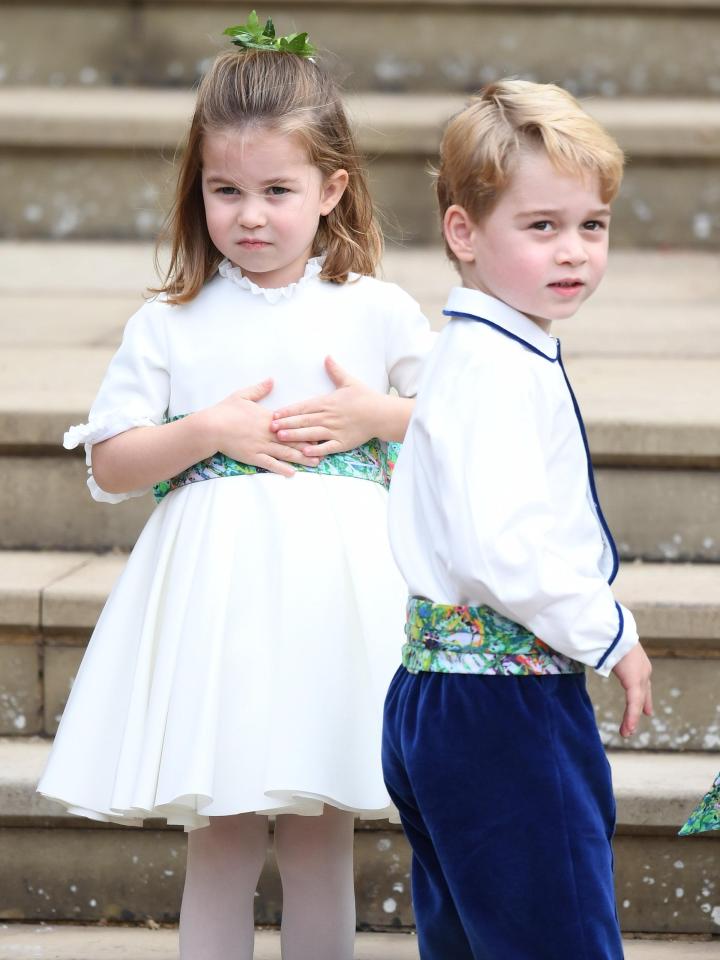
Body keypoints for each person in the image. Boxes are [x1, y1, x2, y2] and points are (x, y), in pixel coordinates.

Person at [38, 16, 433, 960]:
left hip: (333, 608)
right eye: (225, 191)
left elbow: (459, 424)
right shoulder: (172, 322)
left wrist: (375, 416)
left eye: (276, 191)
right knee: (218, 835)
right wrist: (206, 430)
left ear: (332, 189)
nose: (249, 215)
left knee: (317, 836)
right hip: (217, 612)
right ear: (198, 189)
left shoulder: (375, 309)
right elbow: (110, 463)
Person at [382, 79, 654, 960]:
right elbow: (503, 546)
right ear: (464, 232)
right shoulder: (496, 367)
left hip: (440, 698)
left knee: (471, 941)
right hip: (506, 708)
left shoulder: (480, 349)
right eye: (541, 227)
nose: (573, 251)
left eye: (592, 225)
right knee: (558, 938)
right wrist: (607, 630)